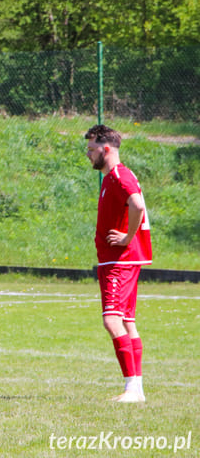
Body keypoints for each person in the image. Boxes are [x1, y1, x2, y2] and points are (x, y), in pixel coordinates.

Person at [85, 125, 152, 403]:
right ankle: (136, 388)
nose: (88, 155)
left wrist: (126, 237)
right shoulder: (112, 178)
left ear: (106, 149)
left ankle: (131, 389)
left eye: (91, 150)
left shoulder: (119, 177)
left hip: (119, 261)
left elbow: (137, 205)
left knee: (112, 321)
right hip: (121, 260)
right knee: (127, 321)